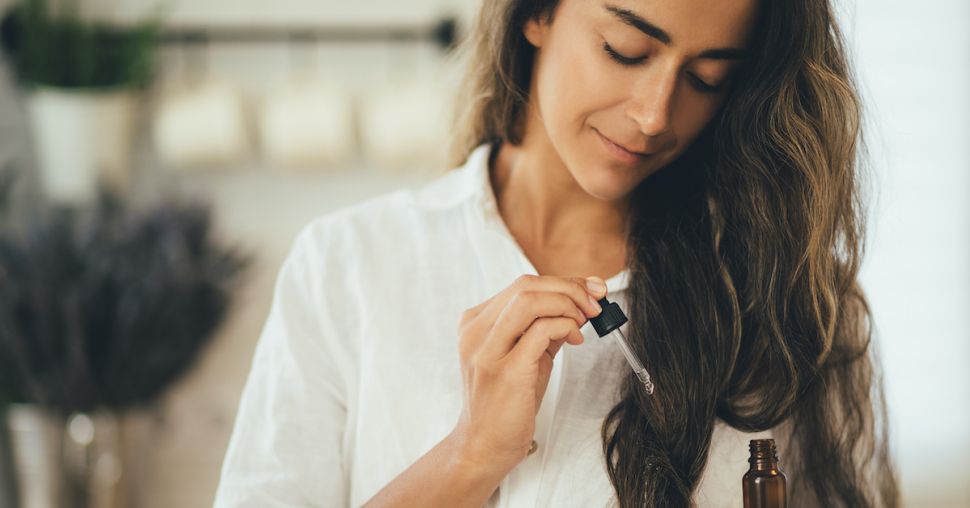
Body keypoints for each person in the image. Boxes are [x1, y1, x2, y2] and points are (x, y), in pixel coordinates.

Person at [212, 0, 900, 506]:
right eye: (627, 49)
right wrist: (470, 456)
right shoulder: (350, 265)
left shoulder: (792, 307)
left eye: (708, 79)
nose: (656, 113)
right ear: (535, 15)